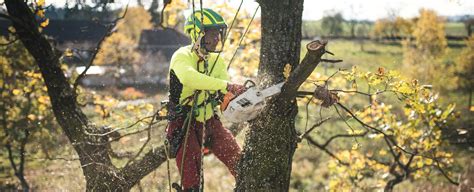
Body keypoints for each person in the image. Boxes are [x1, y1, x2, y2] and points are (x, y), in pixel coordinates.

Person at [165, 8, 245, 191]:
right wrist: (226, 86)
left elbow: (222, 93)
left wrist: (238, 95)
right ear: (198, 34)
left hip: (210, 121)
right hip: (184, 124)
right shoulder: (182, 56)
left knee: (240, 162)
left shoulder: (218, 62)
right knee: (192, 183)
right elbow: (189, 78)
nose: (217, 38)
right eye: (212, 33)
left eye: (218, 33)